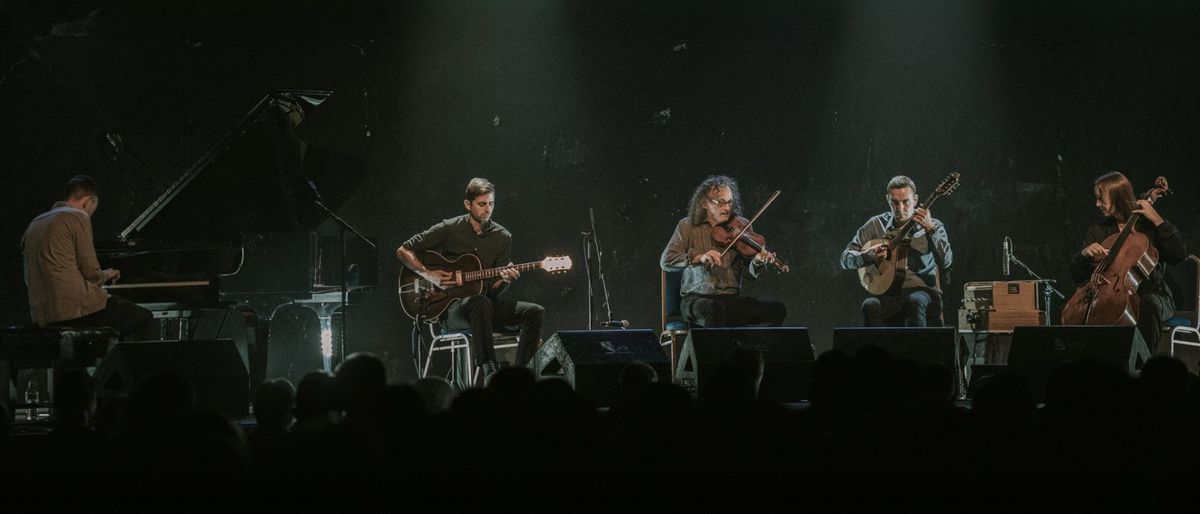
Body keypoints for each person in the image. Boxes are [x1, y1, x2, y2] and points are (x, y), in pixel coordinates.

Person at [396, 178, 544, 384]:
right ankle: (490, 370)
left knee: (534, 311)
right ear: (468, 204)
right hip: (451, 310)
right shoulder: (449, 228)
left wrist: (505, 279)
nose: (488, 209)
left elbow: (492, 291)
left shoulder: (503, 237)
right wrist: (429, 274)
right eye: (482, 204)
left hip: (483, 306)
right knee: (479, 302)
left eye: (491, 203)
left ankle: (518, 379)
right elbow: (403, 250)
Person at [1069, 171, 1186, 354]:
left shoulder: (1147, 225)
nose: (1097, 204)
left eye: (1101, 199)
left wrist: (1156, 218)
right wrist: (1084, 254)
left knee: (1148, 304)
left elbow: (1179, 255)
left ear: (1118, 196)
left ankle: (1141, 364)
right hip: (1110, 296)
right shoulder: (1098, 230)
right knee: (1076, 309)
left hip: (1154, 294)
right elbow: (1077, 275)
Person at [22, 175, 151, 335]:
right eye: (92, 209)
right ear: (87, 201)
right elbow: (91, 273)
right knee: (141, 317)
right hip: (74, 308)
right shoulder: (77, 216)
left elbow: (29, 276)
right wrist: (105, 275)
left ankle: (93, 351)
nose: (90, 214)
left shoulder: (34, 224)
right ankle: (107, 354)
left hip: (42, 314)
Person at [660, 175, 786, 328]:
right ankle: (714, 352)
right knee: (714, 310)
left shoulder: (742, 226)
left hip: (731, 300)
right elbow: (666, 260)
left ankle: (752, 349)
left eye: (729, 202)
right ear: (704, 203)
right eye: (721, 202)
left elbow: (748, 274)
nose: (727, 207)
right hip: (695, 300)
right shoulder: (687, 226)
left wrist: (757, 262)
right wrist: (699, 257)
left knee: (776, 309)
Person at [841, 175, 953, 327]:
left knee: (914, 302)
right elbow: (845, 258)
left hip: (924, 293)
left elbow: (946, 261)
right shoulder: (876, 225)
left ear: (915, 199)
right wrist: (866, 256)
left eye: (906, 202)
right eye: (894, 203)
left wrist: (930, 230)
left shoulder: (934, 226)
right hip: (890, 294)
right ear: (888, 199)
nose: (900, 209)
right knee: (870, 305)